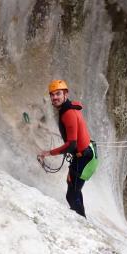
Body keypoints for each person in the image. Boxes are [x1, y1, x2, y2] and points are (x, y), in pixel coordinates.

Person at [38, 80, 95, 217]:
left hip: (83, 158)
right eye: (52, 95)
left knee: (71, 195)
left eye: (58, 94)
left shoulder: (68, 113)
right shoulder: (68, 108)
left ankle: (82, 223)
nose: (55, 97)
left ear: (65, 94)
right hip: (85, 153)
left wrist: (48, 153)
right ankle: (82, 218)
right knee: (74, 189)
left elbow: (71, 145)